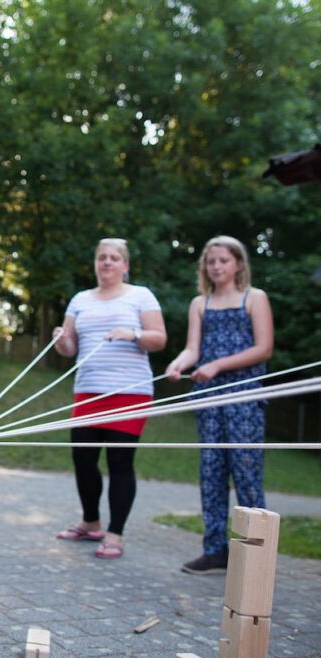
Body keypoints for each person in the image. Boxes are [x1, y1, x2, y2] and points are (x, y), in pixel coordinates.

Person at [53, 238, 167, 559]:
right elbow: (69, 347)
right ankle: (91, 524)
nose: (107, 262)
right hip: (88, 389)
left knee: (119, 462)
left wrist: (133, 334)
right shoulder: (80, 300)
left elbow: (159, 339)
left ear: (125, 265)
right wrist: (60, 341)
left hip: (129, 393)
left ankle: (115, 535)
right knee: (83, 459)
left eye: (114, 258)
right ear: (95, 263)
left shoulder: (141, 296)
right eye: (102, 257)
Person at [166, 235, 273, 575]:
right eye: (211, 262)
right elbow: (193, 349)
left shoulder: (254, 298)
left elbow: (263, 348)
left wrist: (218, 365)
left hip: (244, 396)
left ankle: (256, 555)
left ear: (238, 263)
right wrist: (179, 364)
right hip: (209, 397)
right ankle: (215, 551)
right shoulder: (201, 303)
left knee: (246, 473)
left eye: (223, 261)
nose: (216, 267)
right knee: (211, 472)